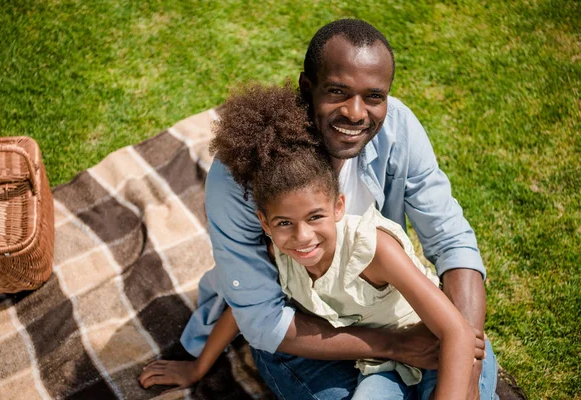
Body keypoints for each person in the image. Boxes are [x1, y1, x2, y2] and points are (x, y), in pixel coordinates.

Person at [148, 19, 498, 399]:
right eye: (337, 92)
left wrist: (466, 367)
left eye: (374, 96)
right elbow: (260, 315)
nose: (355, 113)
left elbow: (452, 242)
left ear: (339, 206)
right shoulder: (248, 183)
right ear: (306, 89)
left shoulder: (395, 138)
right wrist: (394, 346)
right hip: (309, 332)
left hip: (401, 310)